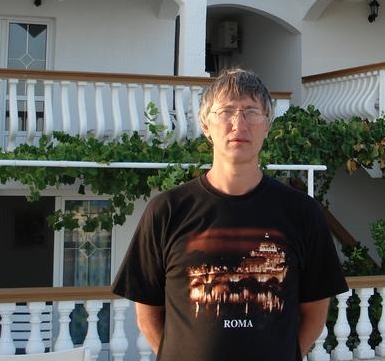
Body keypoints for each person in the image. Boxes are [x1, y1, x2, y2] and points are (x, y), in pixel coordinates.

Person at [112, 68, 347, 360]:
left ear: (267, 125)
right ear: (206, 125)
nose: (239, 123)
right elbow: (147, 316)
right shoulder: (167, 210)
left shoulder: (302, 212)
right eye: (226, 112)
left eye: (251, 112)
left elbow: (315, 313)